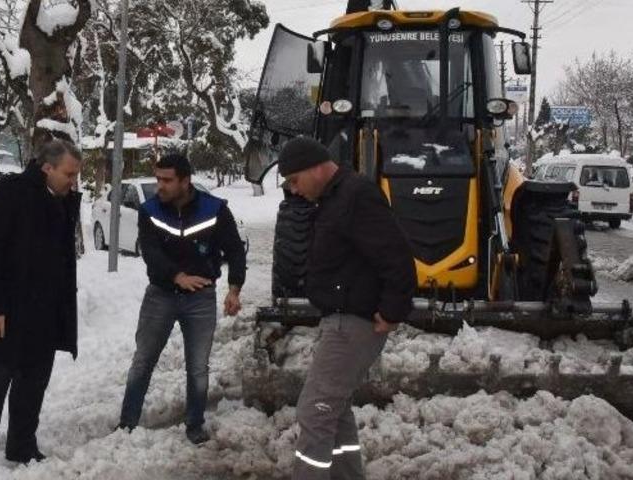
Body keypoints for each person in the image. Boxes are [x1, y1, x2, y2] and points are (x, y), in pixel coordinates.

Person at [278, 137, 416, 479]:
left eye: (294, 180)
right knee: (334, 410)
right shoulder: (333, 199)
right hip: (339, 318)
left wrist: (394, 308)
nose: (293, 190)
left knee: (314, 412)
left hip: (353, 323)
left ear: (314, 167)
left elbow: (396, 255)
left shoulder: (356, 196)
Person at [0, 139, 83, 479]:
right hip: (6, 312)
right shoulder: (8, 193)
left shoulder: (61, 199)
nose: (72, 181)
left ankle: (21, 444)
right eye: (68, 174)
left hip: (44, 314)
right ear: (47, 167)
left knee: (33, 382)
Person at [118, 153, 246, 445]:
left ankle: (195, 424)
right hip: (160, 296)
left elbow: (235, 250)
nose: (159, 186)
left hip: (201, 299)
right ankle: (126, 424)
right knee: (142, 361)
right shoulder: (149, 210)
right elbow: (150, 252)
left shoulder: (215, 210)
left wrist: (234, 288)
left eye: (166, 180)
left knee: (198, 366)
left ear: (185, 181)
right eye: (157, 179)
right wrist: (177, 277)